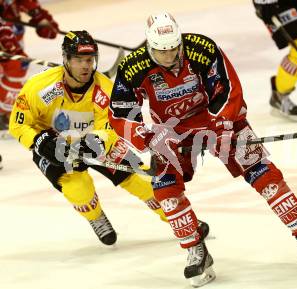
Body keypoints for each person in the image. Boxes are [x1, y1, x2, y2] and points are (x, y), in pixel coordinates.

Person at [109, 12, 297, 287]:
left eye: (173, 49)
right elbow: (120, 111)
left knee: (260, 170)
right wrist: (147, 138)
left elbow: (227, 87)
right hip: (171, 131)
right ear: (150, 46)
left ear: (180, 41)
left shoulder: (203, 48)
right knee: (165, 189)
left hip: (215, 118)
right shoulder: (133, 65)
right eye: (161, 52)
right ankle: (195, 249)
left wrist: (223, 126)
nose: (168, 57)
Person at [8, 30, 181, 246]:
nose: (85, 66)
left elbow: (111, 127)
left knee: (142, 180)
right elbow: (17, 123)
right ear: (66, 59)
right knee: (78, 188)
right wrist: (39, 142)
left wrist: (95, 142)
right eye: (79, 60)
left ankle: (179, 219)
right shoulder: (39, 87)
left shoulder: (106, 89)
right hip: (54, 146)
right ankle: (96, 217)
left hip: (92, 142)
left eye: (89, 60)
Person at [0, 0, 59, 129]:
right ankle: (4, 113)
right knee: (15, 65)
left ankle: (6, 112)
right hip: (5, 31)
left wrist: (39, 16)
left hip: (10, 30)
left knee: (18, 66)